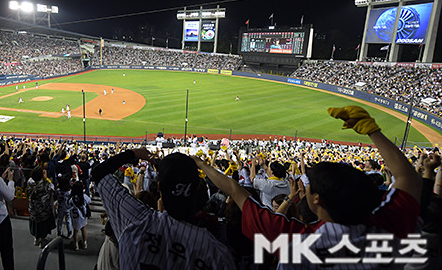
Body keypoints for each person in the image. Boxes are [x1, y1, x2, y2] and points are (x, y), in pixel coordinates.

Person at [194, 105, 423, 267]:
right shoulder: (389, 224)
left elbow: (235, 190)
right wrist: (373, 131)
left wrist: (200, 163)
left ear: (317, 200)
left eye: (311, 186)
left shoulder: (296, 240)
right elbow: (408, 178)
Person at [92, 148, 235, 269]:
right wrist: (203, 164)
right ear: (197, 188)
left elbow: (99, 172)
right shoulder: (218, 254)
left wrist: (135, 153)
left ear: (159, 187)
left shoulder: (135, 222)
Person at [28, 166, 56, 248]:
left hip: (33, 208)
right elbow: (52, 189)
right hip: (43, 209)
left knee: (35, 224)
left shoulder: (30, 182)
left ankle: (36, 239)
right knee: (43, 226)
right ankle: (42, 241)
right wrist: (46, 178)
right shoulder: (45, 184)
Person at [69, 181, 92, 250]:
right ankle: (84, 243)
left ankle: (76, 245)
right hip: (83, 216)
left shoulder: (71, 198)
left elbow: (69, 205)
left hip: (75, 217)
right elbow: (89, 201)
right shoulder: (84, 197)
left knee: (75, 231)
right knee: (83, 228)